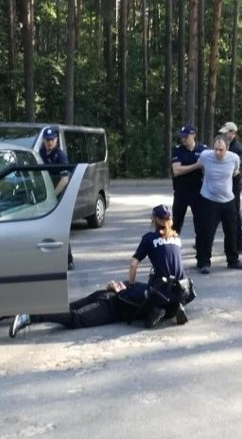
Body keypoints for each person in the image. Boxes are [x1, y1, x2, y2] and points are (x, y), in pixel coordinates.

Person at [8, 280, 151, 337]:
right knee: (76, 318)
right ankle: (28, 315)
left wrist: (120, 286)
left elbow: (132, 284)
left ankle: (26, 310)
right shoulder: (160, 295)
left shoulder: (155, 283)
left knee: (67, 309)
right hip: (113, 303)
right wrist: (120, 289)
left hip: (108, 295)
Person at [128, 204, 192, 328]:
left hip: (161, 292)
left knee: (141, 290)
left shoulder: (149, 238)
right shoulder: (176, 238)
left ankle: (157, 309)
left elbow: (133, 264)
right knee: (169, 284)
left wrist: (131, 285)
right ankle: (176, 306)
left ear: (155, 220)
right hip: (184, 290)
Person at [194, 137, 242, 274]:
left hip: (228, 200)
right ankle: (204, 262)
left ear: (227, 149)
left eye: (221, 150)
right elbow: (201, 167)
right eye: (216, 149)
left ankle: (233, 260)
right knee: (207, 233)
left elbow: (235, 172)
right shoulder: (206, 156)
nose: (218, 153)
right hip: (209, 199)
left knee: (231, 231)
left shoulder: (234, 158)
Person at [39, 125, 75, 269]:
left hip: (58, 195)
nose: (49, 142)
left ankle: (68, 259)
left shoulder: (60, 156)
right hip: (46, 195)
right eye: (47, 140)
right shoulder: (41, 153)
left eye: (52, 140)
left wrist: (52, 195)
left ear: (56, 140)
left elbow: (65, 179)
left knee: (60, 227)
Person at [170, 124, 206, 243]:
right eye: (182, 137)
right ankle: (172, 246)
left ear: (193, 135)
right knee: (176, 222)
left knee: (200, 222)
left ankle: (201, 247)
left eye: (186, 136)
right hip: (181, 192)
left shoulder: (203, 150)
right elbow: (176, 171)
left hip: (198, 192)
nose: (183, 139)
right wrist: (196, 166)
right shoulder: (177, 150)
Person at [220, 121, 242, 252]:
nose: (224, 135)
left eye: (226, 133)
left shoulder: (237, 149)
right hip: (227, 185)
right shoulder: (228, 145)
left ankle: (239, 242)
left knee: (235, 214)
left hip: (234, 185)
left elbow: (237, 169)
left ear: (232, 133)